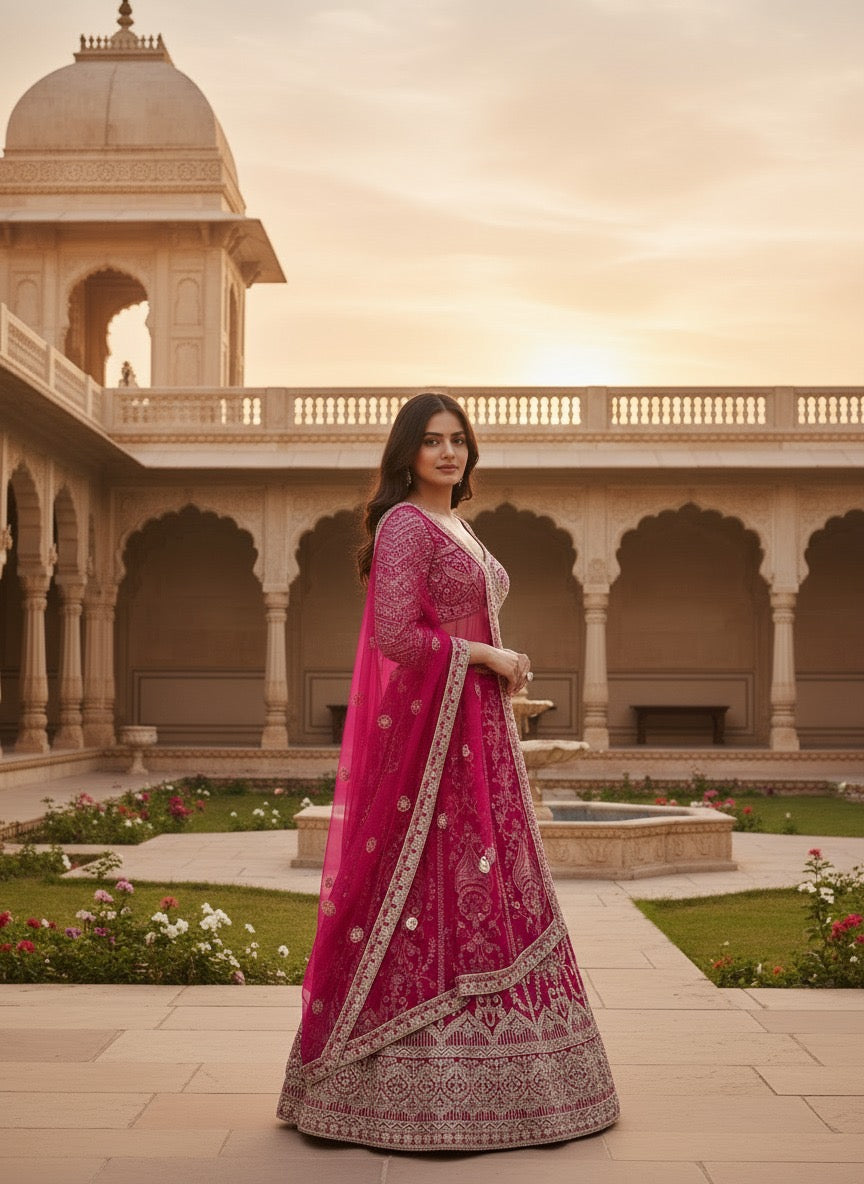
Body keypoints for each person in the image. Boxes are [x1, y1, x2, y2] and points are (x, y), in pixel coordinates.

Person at [277, 392, 619, 1150]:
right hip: (435, 738)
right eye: (432, 441)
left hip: (478, 730)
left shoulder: (457, 523)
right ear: (407, 453)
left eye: (458, 440)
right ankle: (379, 1088)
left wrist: (500, 657)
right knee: (424, 886)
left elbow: (456, 618)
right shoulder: (404, 524)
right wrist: (484, 655)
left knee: (489, 884)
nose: (448, 453)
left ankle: (513, 1080)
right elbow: (397, 636)